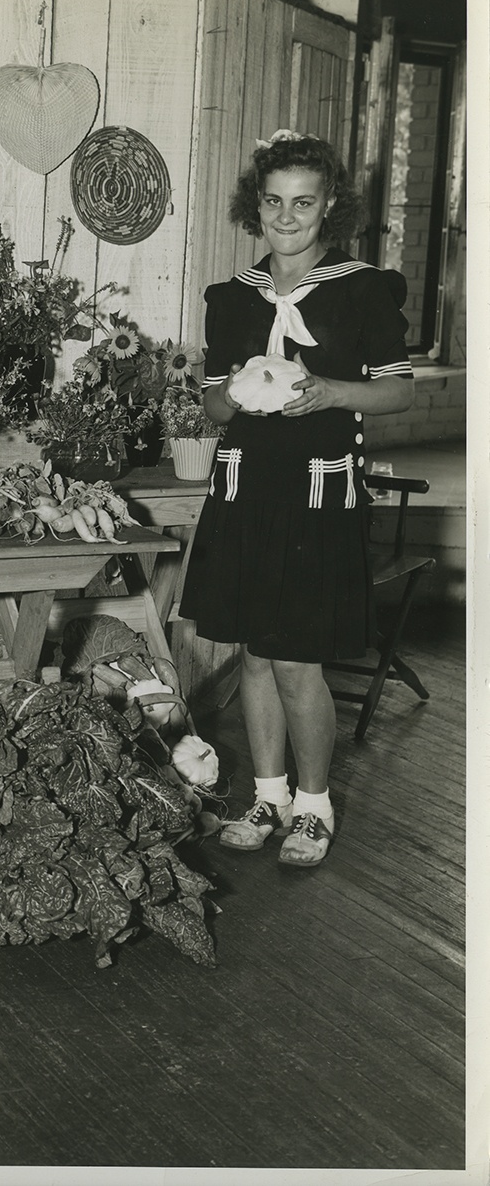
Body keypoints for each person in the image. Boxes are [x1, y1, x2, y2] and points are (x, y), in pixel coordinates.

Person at [178, 129, 413, 867]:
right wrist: (239, 391)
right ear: (257, 207)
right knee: (252, 653)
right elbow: (214, 409)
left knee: (298, 660)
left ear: (329, 206)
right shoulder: (231, 298)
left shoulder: (364, 289)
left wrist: (328, 393)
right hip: (245, 494)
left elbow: (398, 391)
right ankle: (268, 793)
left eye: (303, 203)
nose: (287, 217)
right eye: (274, 202)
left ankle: (314, 807)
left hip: (318, 498)